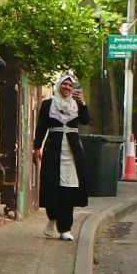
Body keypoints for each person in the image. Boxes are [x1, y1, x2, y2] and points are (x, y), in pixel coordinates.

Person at [32, 73, 90, 241]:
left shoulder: (76, 105)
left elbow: (86, 121)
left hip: (72, 153)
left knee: (68, 191)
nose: (67, 88)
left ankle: (65, 229)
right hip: (53, 151)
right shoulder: (48, 105)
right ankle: (52, 218)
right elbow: (41, 127)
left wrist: (83, 103)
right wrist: (37, 147)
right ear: (58, 86)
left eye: (71, 86)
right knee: (52, 187)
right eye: (65, 84)